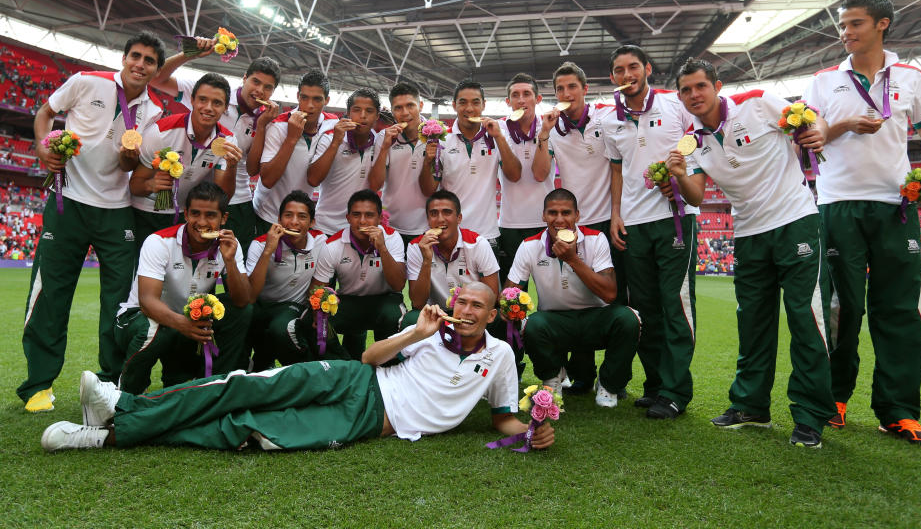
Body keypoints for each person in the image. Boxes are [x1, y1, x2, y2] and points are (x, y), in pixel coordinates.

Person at [40, 283, 555, 453]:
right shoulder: (427, 329)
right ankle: (122, 405)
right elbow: (370, 357)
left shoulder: (500, 355)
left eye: (475, 307)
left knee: (249, 431)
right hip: (358, 378)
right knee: (241, 386)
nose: (463, 311)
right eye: (459, 301)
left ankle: (104, 437)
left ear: (492, 315)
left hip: (372, 422)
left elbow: (503, 418)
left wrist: (534, 430)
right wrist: (416, 333)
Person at [669, 57, 833, 448]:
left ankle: (810, 416)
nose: (694, 95)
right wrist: (678, 175)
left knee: (805, 319)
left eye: (700, 86)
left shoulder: (759, 101)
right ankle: (751, 406)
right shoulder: (691, 140)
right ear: (680, 96)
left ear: (717, 85)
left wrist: (819, 133)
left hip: (795, 221)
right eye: (686, 90)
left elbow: (813, 120)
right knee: (753, 323)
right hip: (748, 233)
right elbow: (696, 194)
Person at [804, 0, 921, 447]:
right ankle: (834, 400)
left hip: (895, 204)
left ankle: (898, 411)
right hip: (837, 202)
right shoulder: (825, 81)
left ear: (882, 24)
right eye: (843, 25)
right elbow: (810, 139)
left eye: (856, 23)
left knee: (900, 308)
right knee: (840, 308)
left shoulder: (912, 77)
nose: (846, 32)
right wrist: (845, 124)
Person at [20, 31, 168, 412]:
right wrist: (42, 149)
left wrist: (130, 156)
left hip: (117, 209)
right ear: (124, 58)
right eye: (135, 56)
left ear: (156, 69)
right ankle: (39, 385)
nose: (140, 64)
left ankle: (110, 381)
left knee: (118, 299)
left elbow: (126, 168)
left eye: (149, 60)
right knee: (51, 292)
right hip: (67, 199)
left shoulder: (153, 112)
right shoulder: (87, 81)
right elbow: (44, 114)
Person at [602, 45, 699, 419]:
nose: (627, 75)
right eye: (619, 70)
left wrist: (681, 169)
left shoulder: (676, 104)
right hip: (634, 223)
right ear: (612, 77)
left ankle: (676, 392)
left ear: (647, 69)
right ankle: (656, 385)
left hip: (675, 217)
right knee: (645, 310)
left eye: (633, 67)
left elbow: (697, 143)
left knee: (675, 306)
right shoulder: (611, 120)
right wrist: (614, 213)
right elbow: (616, 170)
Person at [505, 188, 640, 408]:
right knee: (532, 325)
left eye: (566, 213)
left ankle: (608, 385)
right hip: (554, 321)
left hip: (596, 318)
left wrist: (573, 259)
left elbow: (609, 293)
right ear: (543, 216)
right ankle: (553, 377)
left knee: (627, 319)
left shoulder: (596, 239)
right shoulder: (529, 245)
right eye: (552, 213)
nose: (559, 219)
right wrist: (509, 303)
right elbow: (510, 294)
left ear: (577, 215)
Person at [114, 182, 253, 395]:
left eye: (211, 215)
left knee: (240, 311)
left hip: (186, 323)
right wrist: (183, 324)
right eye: (195, 213)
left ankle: (217, 384)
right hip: (141, 319)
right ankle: (128, 393)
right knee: (154, 330)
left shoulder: (228, 245)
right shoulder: (159, 242)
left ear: (223, 218)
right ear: (186, 214)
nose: (202, 222)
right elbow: (147, 301)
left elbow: (243, 300)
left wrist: (230, 261)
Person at [537, 61, 622, 394]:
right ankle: (583, 376)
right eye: (560, 89)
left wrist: (616, 213)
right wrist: (543, 134)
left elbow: (617, 168)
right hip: (573, 224)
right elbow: (542, 172)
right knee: (578, 297)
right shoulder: (553, 130)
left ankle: (615, 379)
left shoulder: (604, 119)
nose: (566, 94)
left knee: (613, 299)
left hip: (605, 221)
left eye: (572, 87)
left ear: (585, 89)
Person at [150, 41, 282, 252]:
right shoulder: (215, 93)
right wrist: (189, 54)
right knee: (199, 264)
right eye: (256, 82)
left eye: (268, 87)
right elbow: (157, 78)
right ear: (245, 78)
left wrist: (263, 125)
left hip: (238, 201)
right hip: (199, 202)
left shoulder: (267, 119)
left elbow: (252, 169)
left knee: (238, 268)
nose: (260, 91)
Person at [286, 189, 406, 361]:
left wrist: (382, 248)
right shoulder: (334, 244)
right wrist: (317, 313)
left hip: (384, 300)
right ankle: (343, 364)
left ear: (380, 218)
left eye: (369, 215)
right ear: (348, 217)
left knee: (396, 316)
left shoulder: (392, 237)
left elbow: (398, 285)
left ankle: (388, 368)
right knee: (312, 321)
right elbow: (317, 288)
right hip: (349, 301)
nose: (362, 221)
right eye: (356, 215)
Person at [129, 73, 243, 250]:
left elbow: (223, 196)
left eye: (217, 103)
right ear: (192, 100)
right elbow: (134, 186)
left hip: (184, 217)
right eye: (203, 100)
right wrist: (151, 185)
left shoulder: (227, 142)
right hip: (146, 212)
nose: (208, 108)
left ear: (226, 107)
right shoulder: (161, 132)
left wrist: (232, 167)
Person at [244, 190, 347, 370]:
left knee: (283, 328)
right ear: (279, 219)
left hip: (296, 308)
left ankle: (314, 372)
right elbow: (251, 295)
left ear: (312, 222)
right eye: (288, 215)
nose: (293, 222)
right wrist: (268, 250)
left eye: (302, 216)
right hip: (263, 308)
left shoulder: (321, 241)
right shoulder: (260, 244)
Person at [418, 79, 521, 242]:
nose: (469, 109)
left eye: (475, 102)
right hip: (450, 234)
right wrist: (426, 162)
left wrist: (499, 138)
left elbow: (515, 175)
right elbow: (428, 190)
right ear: (454, 105)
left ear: (483, 105)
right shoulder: (442, 140)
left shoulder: (497, 136)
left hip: (487, 235)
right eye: (463, 102)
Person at [252, 69, 337, 236]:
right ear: (298, 96)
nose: (310, 105)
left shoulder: (332, 124)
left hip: (300, 221)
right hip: (269, 216)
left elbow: (314, 180)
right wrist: (291, 139)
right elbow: (267, 180)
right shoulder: (278, 126)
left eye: (317, 99)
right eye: (305, 97)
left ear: (326, 100)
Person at [496, 73, 557, 284]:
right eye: (515, 95)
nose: (521, 100)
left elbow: (540, 174)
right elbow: (513, 175)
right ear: (508, 101)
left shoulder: (550, 125)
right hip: (510, 223)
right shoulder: (498, 130)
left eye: (527, 94)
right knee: (511, 291)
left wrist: (544, 134)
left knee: (550, 287)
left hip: (545, 222)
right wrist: (499, 139)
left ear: (537, 99)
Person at [403, 190, 500, 320]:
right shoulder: (416, 247)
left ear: (459, 218)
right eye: (433, 213)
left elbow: (491, 296)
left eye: (447, 212)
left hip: (471, 312)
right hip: (435, 314)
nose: (440, 219)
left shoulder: (477, 244)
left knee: (498, 318)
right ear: (427, 219)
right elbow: (418, 302)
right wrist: (427, 260)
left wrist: (466, 312)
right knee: (411, 319)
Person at [308, 88, 383, 234]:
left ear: (376, 116)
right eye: (357, 110)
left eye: (369, 111)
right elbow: (313, 180)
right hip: (325, 226)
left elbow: (376, 186)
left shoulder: (379, 142)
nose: (362, 116)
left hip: (359, 229)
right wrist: (336, 142)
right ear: (348, 113)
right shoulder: (330, 138)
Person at [368, 82, 430, 248]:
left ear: (421, 105)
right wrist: (385, 148)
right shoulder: (384, 137)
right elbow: (374, 184)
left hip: (428, 227)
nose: (405, 113)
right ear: (392, 111)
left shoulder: (436, 134)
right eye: (398, 108)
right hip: (391, 226)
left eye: (410, 105)